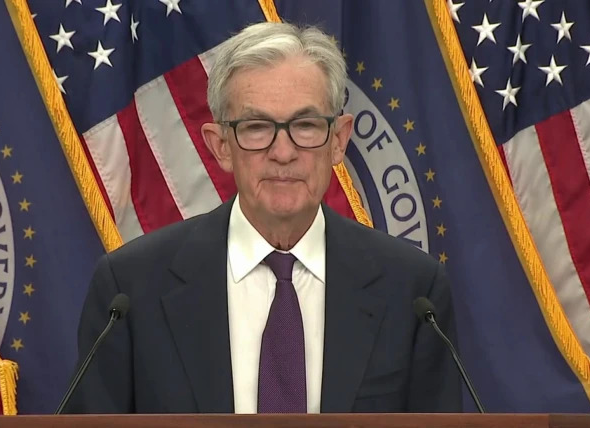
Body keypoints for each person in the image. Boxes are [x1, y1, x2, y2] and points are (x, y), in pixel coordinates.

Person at [63, 21, 462, 414]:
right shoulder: (130, 290)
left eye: (305, 125)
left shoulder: (412, 291)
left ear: (338, 141)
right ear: (221, 146)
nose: (283, 153)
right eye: (256, 128)